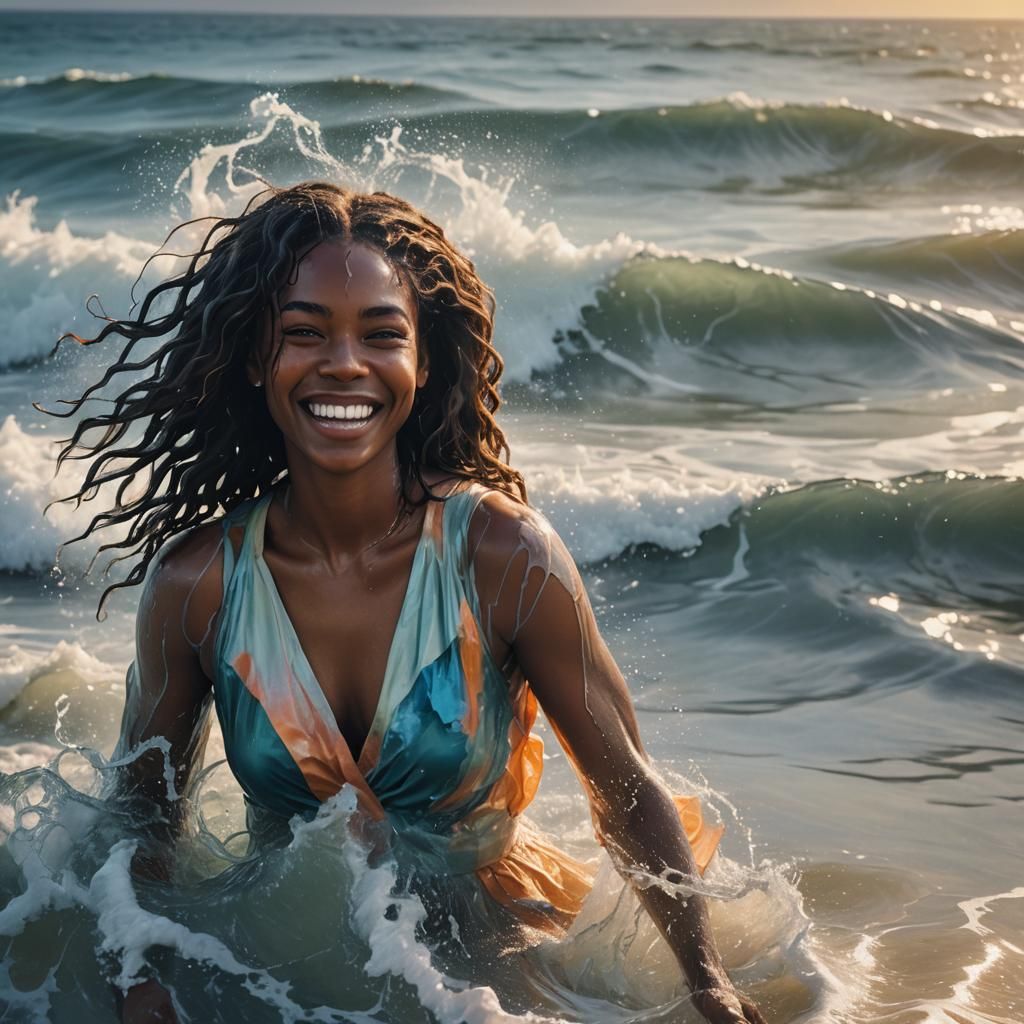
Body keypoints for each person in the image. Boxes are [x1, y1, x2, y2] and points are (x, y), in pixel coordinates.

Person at [53, 182, 765, 1024]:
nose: (344, 363)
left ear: (422, 364)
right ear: (254, 357)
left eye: (381, 334)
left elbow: (628, 789)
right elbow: (141, 820)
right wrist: (140, 971)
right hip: (277, 970)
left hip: (491, 972)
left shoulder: (504, 557)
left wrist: (706, 981)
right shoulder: (198, 584)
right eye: (304, 332)